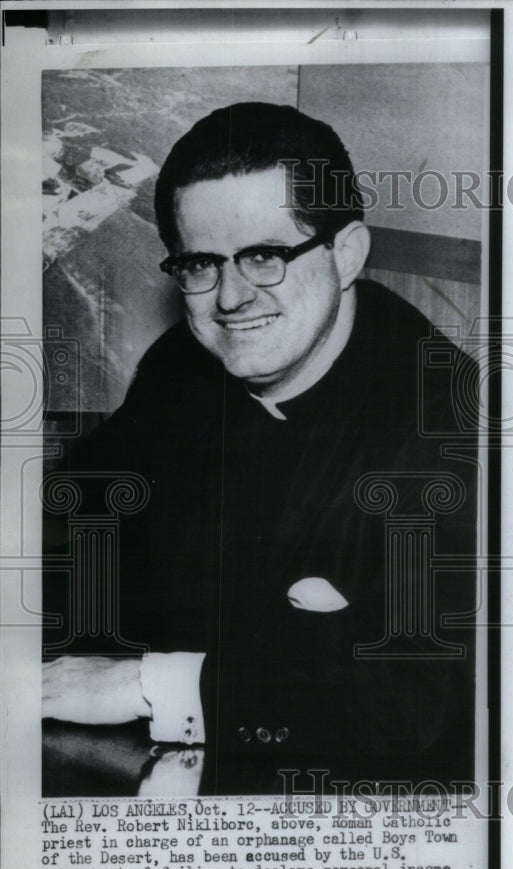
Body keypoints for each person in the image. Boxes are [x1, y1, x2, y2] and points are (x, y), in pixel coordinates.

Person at [42, 102, 479, 794]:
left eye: (265, 257)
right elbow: (73, 524)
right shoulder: (183, 365)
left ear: (346, 253)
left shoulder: (450, 423)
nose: (230, 299)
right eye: (200, 265)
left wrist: (149, 684)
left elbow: (416, 706)